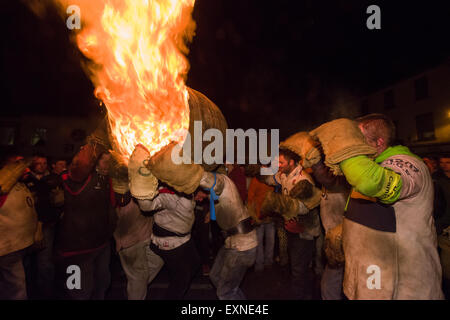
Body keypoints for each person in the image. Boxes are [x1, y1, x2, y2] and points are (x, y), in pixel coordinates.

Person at [310, 115, 444, 299]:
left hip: (400, 286)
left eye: (357, 139)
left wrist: (346, 150)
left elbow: (373, 182)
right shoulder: (372, 165)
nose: (352, 143)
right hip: (370, 278)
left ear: (379, 143)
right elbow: (336, 185)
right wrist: (317, 165)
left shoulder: (407, 163)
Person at [129, 144, 200, 300]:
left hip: (185, 239)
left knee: (194, 265)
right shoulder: (164, 194)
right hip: (170, 242)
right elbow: (148, 206)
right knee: (181, 279)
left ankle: (139, 285)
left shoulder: (186, 184)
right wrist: (142, 191)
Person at [54, 143, 116, 299]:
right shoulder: (79, 179)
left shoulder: (107, 180)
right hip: (77, 249)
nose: (107, 165)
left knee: (102, 283)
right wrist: (95, 143)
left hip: (101, 243)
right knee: (78, 291)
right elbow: (79, 167)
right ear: (94, 164)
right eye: (104, 161)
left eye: (110, 161)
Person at [259, 146, 322, 300]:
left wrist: (278, 203)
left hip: (304, 231)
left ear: (292, 162)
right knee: (295, 266)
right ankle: (301, 292)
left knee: (299, 269)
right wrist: (261, 169)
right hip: (291, 228)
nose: (278, 166)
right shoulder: (283, 175)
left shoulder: (303, 180)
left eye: (281, 162)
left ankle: (303, 295)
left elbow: (304, 208)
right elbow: (268, 179)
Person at [109, 155, 164, 300]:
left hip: (147, 236)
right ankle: (135, 292)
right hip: (129, 243)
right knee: (138, 278)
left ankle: (134, 289)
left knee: (157, 262)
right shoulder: (116, 195)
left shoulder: (138, 184)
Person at [199, 170, 257, 300]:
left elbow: (214, 182)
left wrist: (192, 174)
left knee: (225, 292)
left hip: (242, 246)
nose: (197, 199)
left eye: (196, 194)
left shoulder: (221, 181)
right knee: (216, 277)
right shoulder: (214, 195)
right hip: (232, 242)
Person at [0, 156, 40, 300]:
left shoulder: (21, 184)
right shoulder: (3, 185)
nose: (25, 169)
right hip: (7, 249)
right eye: (17, 164)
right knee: (16, 287)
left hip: (21, 246)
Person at [247, 176, 275, 272]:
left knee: (268, 241)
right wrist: (253, 215)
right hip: (259, 217)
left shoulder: (273, 179)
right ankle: (261, 264)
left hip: (269, 215)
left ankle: (266, 263)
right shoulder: (256, 180)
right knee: (262, 241)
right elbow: (250, 199)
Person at [435, 154, 450, 234]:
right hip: (442, 219)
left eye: (447, 162)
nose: (444, 165)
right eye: (441, 162)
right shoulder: (436, 178)